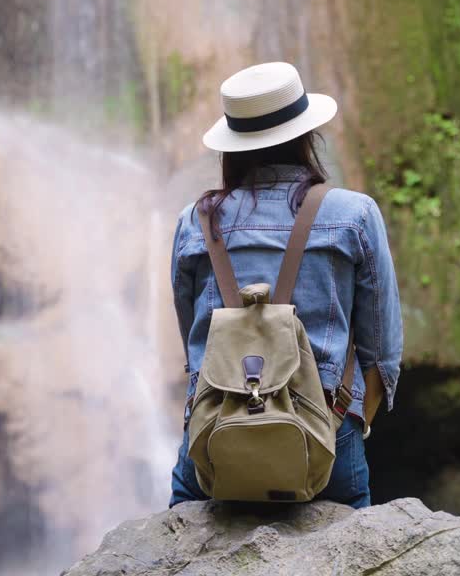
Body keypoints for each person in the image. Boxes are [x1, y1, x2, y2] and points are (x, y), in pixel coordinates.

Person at [169, 61, 403, 508]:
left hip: (217, 442)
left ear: (231, 148)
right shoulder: (354, 215)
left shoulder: (196, 222)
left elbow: (194, 346)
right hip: (326, 438)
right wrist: (347, 425)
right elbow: (383, 354)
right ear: (307, 138)